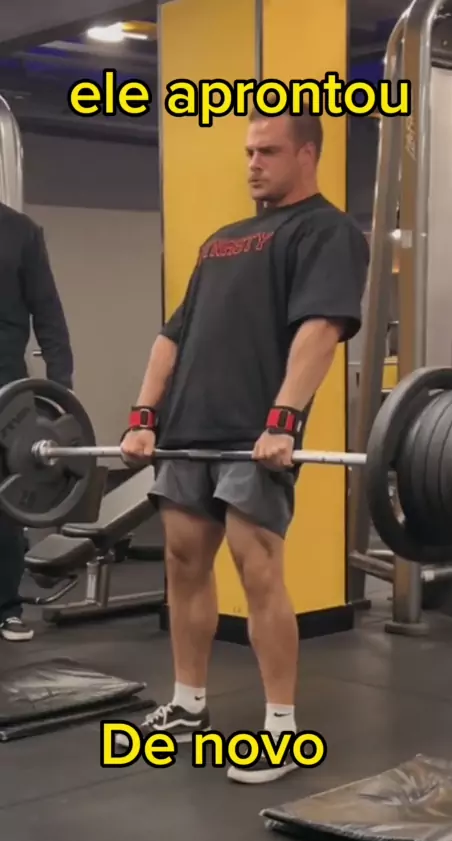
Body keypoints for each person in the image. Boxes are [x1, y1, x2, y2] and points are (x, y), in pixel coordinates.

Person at [118, 102, 369, 783]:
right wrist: (143, 415)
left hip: (254, 431)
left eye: (268, 151)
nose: (253, 164)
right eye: (249, 152)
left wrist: (284, 419)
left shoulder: (327, 231)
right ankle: (188, 704)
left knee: (256, 566)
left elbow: (321, 329)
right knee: (182, 561)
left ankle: (281, 728)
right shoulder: (222, 240)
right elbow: (173, 335)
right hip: (188, 428)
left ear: (307, 154)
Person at [0, 202, 74, 641]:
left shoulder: (20, 232)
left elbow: (48, 314)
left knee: (6, 501)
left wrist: (60, 392)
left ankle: (6, 608)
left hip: (6, 386)